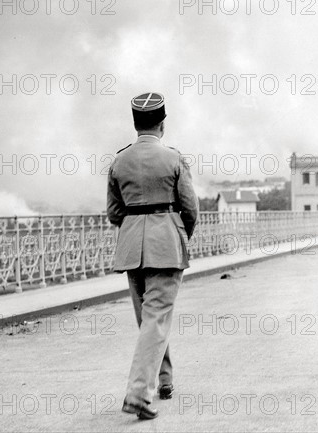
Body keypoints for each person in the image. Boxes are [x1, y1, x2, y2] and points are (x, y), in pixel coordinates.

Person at [107, 92, 199, 420]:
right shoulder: (173, 158)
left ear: (135, 124)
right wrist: (178, 235)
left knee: (149, 319)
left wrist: (134, 227)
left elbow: (114, 211)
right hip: (166, 244)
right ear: (162, 123)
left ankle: (164, 380)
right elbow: (190, 207)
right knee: (156, 319)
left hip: (131, 247)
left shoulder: (119, 161)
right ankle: (138, 394)